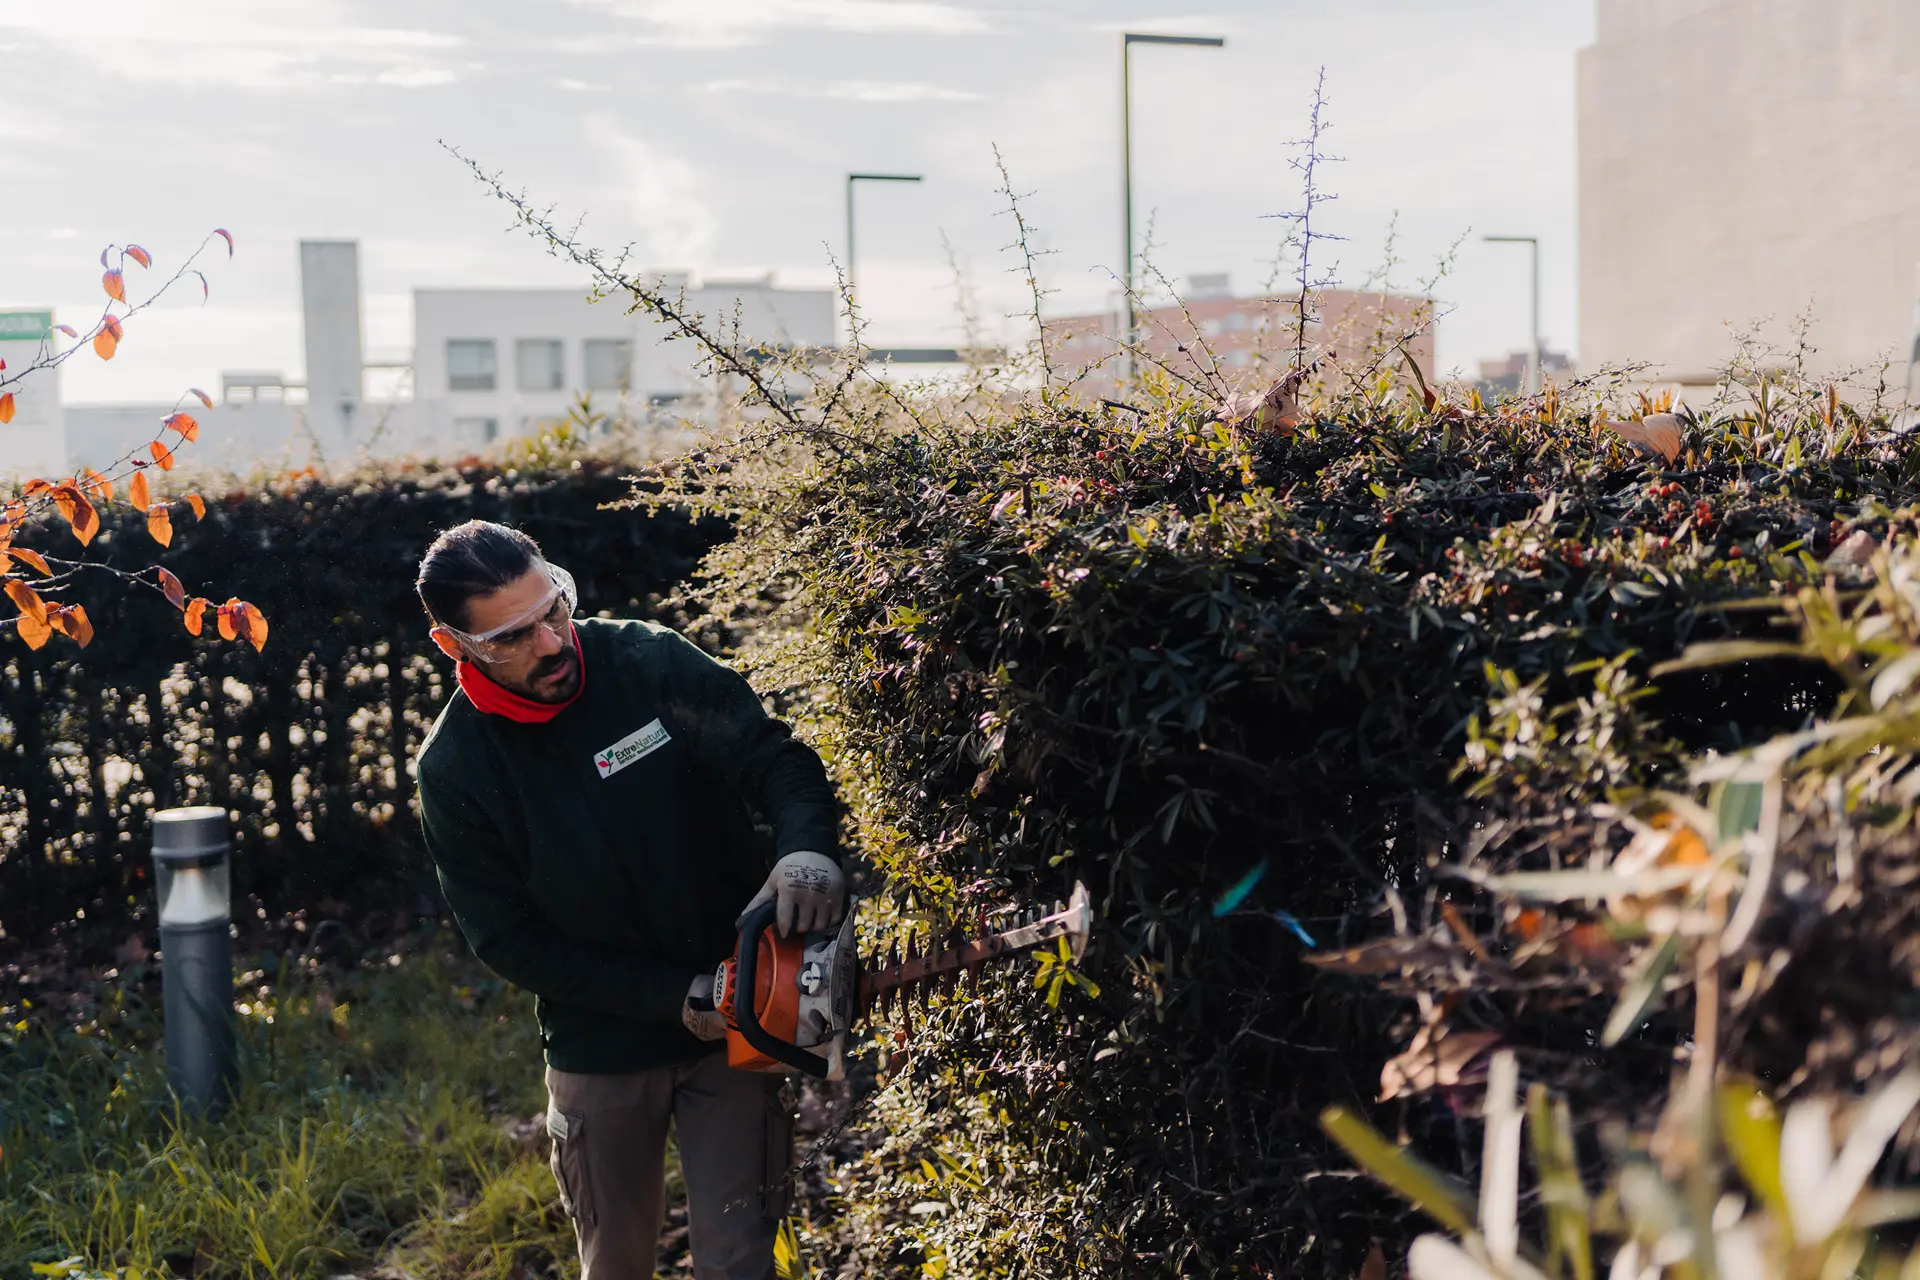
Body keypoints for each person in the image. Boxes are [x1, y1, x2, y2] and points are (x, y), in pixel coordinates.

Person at [410, 519, 844, 1280]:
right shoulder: (456, 769)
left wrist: (806, 847)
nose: (551, 642)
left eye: (554, 609)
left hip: (742, 1014)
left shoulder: (646, 663)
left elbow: (776, 759)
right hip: (601, 1045)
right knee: (613, 1263)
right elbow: (507, 939)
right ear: (456, 646)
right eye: (515, 635)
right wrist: (673, 994)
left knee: (742, 1259)